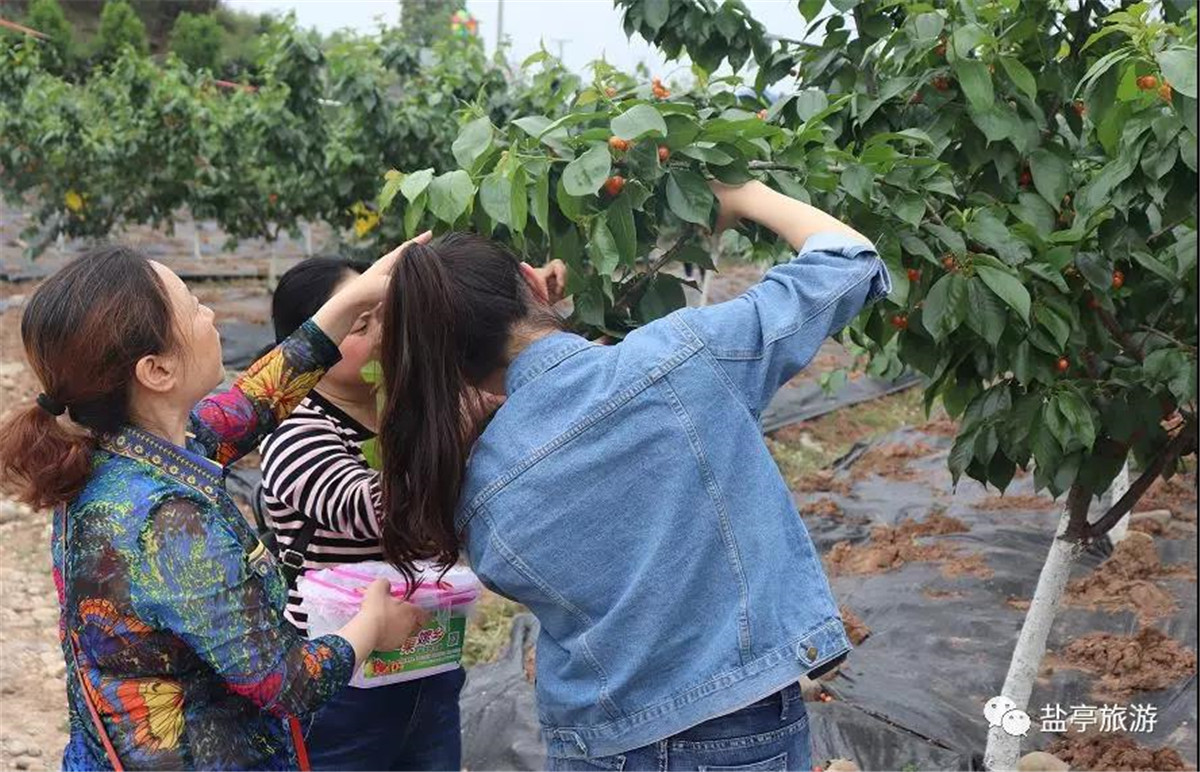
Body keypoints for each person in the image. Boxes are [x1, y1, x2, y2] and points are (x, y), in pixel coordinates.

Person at [374, 180, 890, 771]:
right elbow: (847, 261)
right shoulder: (683, 358)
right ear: (532, 281)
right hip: (733, 729)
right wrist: (742, 193)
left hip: (595, 745)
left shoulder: (471, 490)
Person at [0, 236, 431, 771]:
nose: (209, 314)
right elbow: (286, 683)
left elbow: (255, 401)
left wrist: (352, 300)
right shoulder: (169, 522)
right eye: (192, 306)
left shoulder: (118, 453)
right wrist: (372, 626)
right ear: (157, 371)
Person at [259, 257, 465, 771]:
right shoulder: (295, 430)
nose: (382, 334)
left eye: (385, 316)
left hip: (427, 657)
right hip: (341, 681)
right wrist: (457, 420)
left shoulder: (405, 409)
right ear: (312, 344)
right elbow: (374, 511)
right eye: (359, 324)